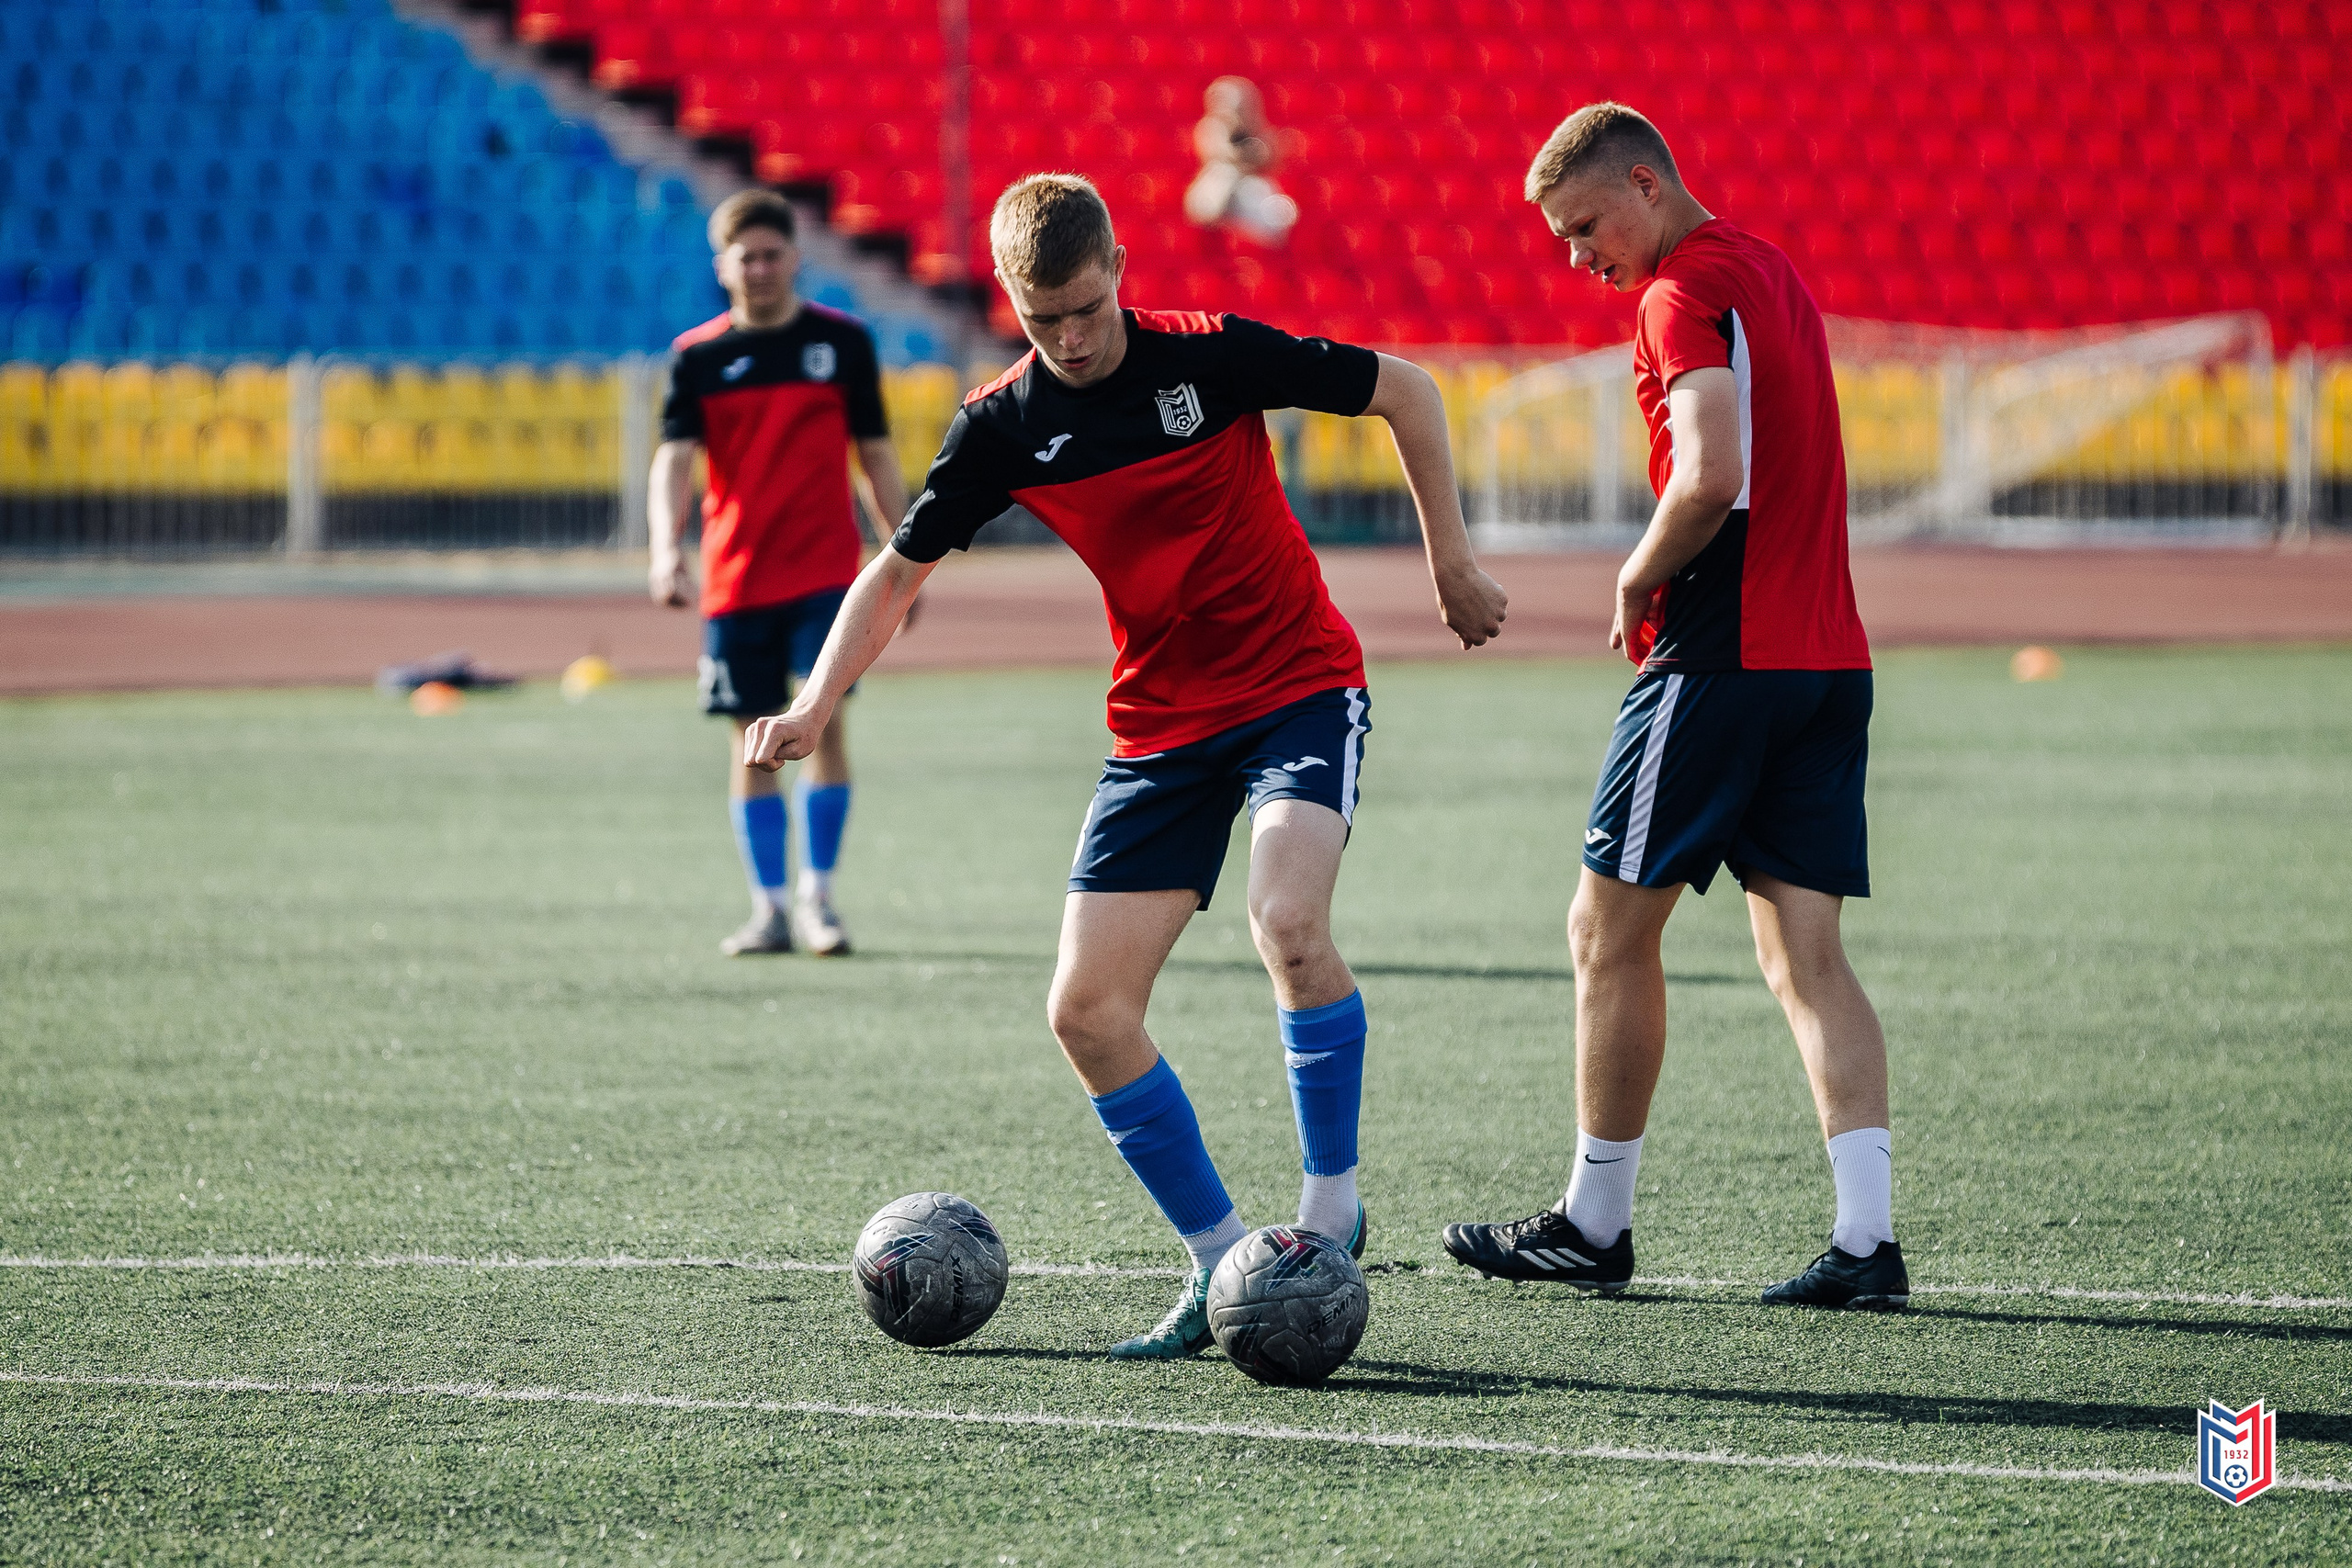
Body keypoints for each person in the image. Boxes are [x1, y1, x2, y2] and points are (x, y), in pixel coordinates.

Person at [746, 174, 1510, 1357]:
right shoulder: (1001, 423)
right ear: (1012, 303)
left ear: (1120, 268)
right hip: (1158, 727)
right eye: (1043, 320)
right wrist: (812, 703)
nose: (1070, 338)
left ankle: (1326, 1212)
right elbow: (894, 572)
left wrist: (1448, 562)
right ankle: (1219, 1271)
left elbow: (1405, 391)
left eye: (1086, 309)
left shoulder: (1211, 358)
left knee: (1287, 922)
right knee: (1086, 1010)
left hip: (1297, 685)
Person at [1441, 104, 1905, 1311]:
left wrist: (1637, 572)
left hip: (1721, 657)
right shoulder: (1771, 272)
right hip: (1826, 661)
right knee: (1807, 956)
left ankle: (1593, 1220)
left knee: (1606, 930)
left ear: (1646, 185)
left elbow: (1709, 473)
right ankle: (1868, 1241)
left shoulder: (1678, 294)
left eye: (1586, 225)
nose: (1577, 256)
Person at [650, 189, 910, 958]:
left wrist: (902, 553)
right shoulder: (697, 357)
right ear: (722, 267)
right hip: (737, 580)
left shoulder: (843, 344)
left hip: (828, 575)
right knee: (749, 741)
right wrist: (667, 547)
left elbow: (876, 453)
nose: (760, 268)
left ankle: (817, 900)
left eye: (772, 254)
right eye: (746, 257)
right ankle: (767, 908)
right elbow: (674, 458)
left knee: (820, 725)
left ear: (796, 258)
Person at [1182, 76, 1299, 245]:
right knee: (1224, 175)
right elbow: (1220, 153)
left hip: (1247, 191)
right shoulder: (1210, 128)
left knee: (1264, 196)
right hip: (1217, 187)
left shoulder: (1257, 131)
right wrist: (1246, 155)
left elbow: (1268, 158)